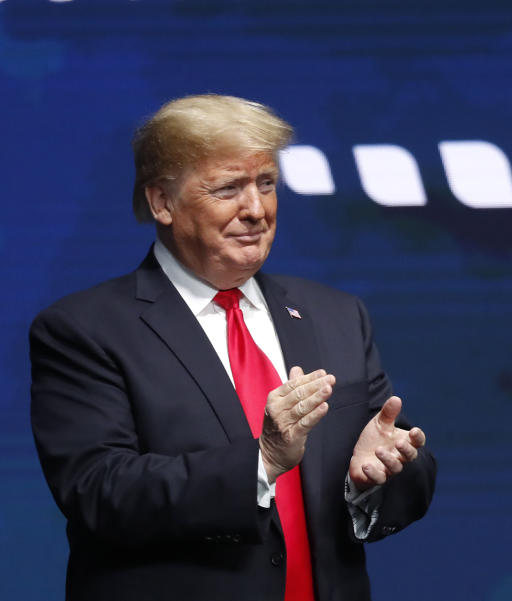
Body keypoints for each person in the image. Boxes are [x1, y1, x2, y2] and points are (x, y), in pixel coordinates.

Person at [29, 94, 436, 601]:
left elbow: (392, 467)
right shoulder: (83, 329)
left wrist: (378, 476)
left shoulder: (336, 313)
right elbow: (101, 493)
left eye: (266, 184)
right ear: (162, 203)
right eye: (228, 189)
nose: (256, 209)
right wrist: (261, 461)